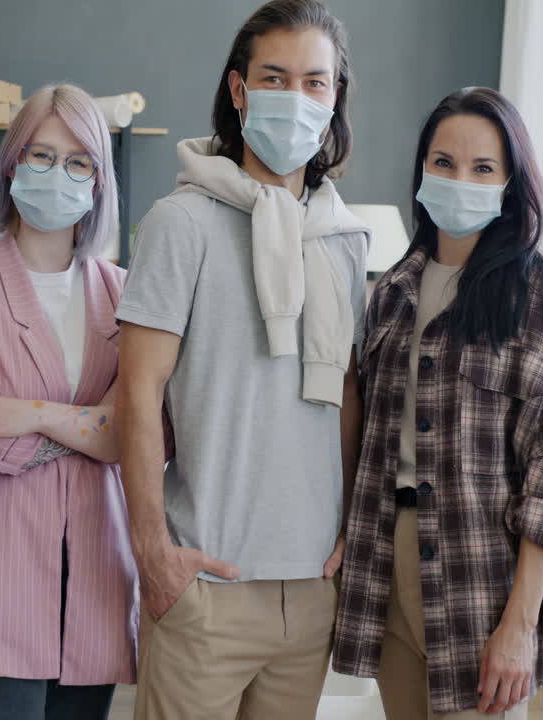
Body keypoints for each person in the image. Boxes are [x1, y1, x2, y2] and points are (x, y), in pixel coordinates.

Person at [114, 1, 369, 717]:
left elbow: (347, 394)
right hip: (207, 583)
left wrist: (351, 525)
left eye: (315, 82)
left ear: (334, 98)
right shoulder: (180, 222)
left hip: (312, 590)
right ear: (238, 89)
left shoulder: (345, 238)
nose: (296, 98)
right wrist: (155, 554)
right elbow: (138, 393)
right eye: (275, 77)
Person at [332, 87, 543, 719]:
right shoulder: (391, 292)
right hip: (389, 556)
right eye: (444, 162)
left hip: (483, 572)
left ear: (510, 183)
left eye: (483, 168)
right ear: (422, 169)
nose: (461, 179)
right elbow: (364, 434)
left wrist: (519, 624)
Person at [0, 83, 136, 720]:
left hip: (93, 578)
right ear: (11, 166)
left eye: (78, 162)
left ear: (98, 182)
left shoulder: (125, 294)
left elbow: (136, 437)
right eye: (40, 156)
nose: (57, 175)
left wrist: (29, 412)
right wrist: (89, 430)